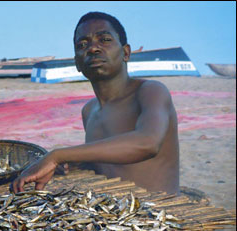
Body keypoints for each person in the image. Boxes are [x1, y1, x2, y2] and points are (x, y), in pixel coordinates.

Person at [11, 12, 179, 195]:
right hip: (113, 214)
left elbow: (147, 143)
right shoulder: (89, 111)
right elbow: (105, 163)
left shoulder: (150, 91)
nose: (93, 49)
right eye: (82, 45)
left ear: (126, 53)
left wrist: (57, 156)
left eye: (105, 39)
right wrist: (72, 165)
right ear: (77, 63)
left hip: (159, 212)